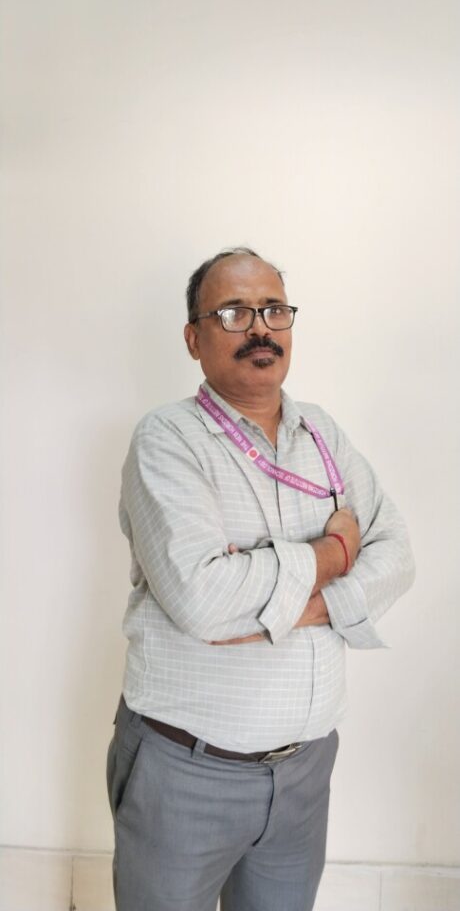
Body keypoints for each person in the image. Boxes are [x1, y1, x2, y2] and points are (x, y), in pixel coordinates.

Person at [107, 247, 415, 911]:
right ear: (194, 338)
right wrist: (333, 554)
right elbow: (203, 599)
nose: (260, 328)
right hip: (185, 775)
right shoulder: (168, 439)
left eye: (274, 309)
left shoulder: (323, 433)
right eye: (234, 311)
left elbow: (396, 554)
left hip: (304, 773)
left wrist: (299, 609)